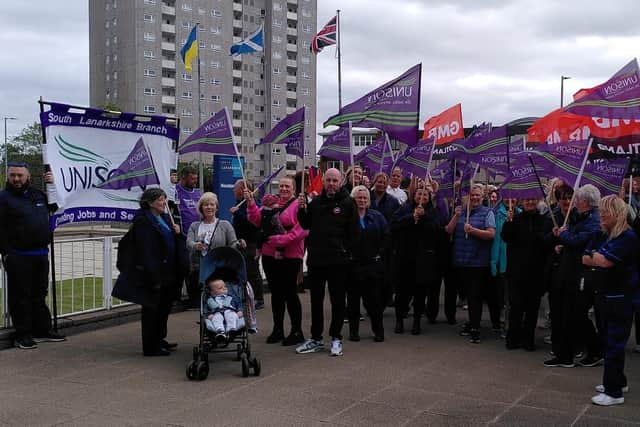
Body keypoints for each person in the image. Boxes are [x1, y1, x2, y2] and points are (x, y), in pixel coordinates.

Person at [0, 162, 66, 349]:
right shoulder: (3, 198)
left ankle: (42, 330)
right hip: (18, 255)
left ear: (28, 176)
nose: (16, 179)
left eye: (20, 175)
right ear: (8, 176)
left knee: (39, 294)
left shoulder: (38, 195)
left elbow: (55, 205)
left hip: (40, 254)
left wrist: (52, 184)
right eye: (13, 175)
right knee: (21, 296)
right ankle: (22, 334)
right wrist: (6, 253)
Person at [112, 188, 186, 356]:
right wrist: (153, 275)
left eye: (165, 199)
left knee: (164, 308)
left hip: (168, 272)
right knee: (152, 310)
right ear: (150, 203)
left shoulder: (165, 218)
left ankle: (160, 339)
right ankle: (151, 345)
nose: (164, 202)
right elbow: (146, 251)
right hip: (154, 274)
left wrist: (177, 233)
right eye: (160, 199)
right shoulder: (144, 222)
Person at [296, 168, 360, 356]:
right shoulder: (316, 203)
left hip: (338, 262)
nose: (331, 184)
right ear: (323, 181)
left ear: (340, 182)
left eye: (334, 180)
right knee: (316, 301)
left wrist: (346, 252)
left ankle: (336, 338)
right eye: (328, 180)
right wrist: (302, 209)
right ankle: (316, 338)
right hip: (316, 261)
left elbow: (355, 233)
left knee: (338, 301)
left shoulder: (348, 203)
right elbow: (306, 224)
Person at [582, 195, 639, 406]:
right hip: (606, 295)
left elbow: (603, 261)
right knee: (608, 341)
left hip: (621, 298)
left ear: (617, 213)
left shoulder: (628, 237)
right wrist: (597, 256)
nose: (601, 215)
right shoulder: (607, 235)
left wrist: (597, 256)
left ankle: (614, 392)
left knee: (614, 344)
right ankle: (618, 381)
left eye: (606, 211)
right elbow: (585, 257)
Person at [544, 184, 602, 368]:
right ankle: (564, 355)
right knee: (564, 313)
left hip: (581, 272)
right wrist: (562, 239)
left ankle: (594, 350)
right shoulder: (580, 216)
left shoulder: (593, 220)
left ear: (585, 201)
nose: (574, 202)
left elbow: (578, 240)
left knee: (576, 314)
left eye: (577, 199)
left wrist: (564, 235)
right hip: (568, 270)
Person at [246, 176, 307, 346]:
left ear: (294, 188)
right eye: (281, 186)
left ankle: (296, 330)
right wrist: (251, 204)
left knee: (290, 293)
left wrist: (281, 240)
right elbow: (257, 219)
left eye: (287, 186)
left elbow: (302, 230)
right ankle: (278, 328)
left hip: (291, 254)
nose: (284, 189)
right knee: (276, 293)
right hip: (269, 253)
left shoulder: (299, 205)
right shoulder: (272, 203)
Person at [445, 183, 497, 344]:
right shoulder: (461, 212)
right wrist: (456, 215)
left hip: (478, 262)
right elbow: (448, 230)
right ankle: (471, 322)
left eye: (477, 195)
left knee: (475, 296)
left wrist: (473, 231)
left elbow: (491, 234)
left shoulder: (487, 212)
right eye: (472, 195)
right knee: (468, 295)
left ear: (482, 198)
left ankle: (475, 328)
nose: (474, 198)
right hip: (461, 261)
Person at [391, 187, 441, 334]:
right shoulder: (404, 209)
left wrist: (424, 217)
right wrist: (411, 217)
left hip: (423, 260)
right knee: (402, 293)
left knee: (420, 294)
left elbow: (436, 230)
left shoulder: (432, 211)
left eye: (425, 194)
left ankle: (417, 322)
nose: (422, 196)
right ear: (414, 195)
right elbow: (394, 225)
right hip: (404, 257)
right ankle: (399, 321)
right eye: (420, 193)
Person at [501, 198, 547, 351]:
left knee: (532, 309)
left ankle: (528, 340)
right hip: (516, 271)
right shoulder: (515, 218)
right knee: (516, 307)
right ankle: (512, 338)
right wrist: (508, 222)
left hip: (535, 272)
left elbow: (546, 242)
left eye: (533, 200)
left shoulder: (543, 220)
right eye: (527, 200)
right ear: (523, 202)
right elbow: (505, 237)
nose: (530, 202)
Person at [347, 185, 389, 342]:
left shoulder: (377, 216)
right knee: (353, 301)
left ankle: (378, 331)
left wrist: (380, 253)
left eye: (365, 198)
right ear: (353, 199)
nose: (362, 200)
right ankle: (353, 331)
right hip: (353, 265)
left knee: (374, 301)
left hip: (372, 265)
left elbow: (387, 235)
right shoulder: (348, 217)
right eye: (359, 197)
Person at [186, 192, 244, 283]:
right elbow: (189, 242)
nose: (209, 207)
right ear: (201, 208)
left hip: (219, 270)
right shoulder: (194, 226)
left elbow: (233, 244)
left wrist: (239, 244)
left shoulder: (225, 225)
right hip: (198, 270)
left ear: (216, 208)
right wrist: (195, 245)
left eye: (212, 204)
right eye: (206, 205)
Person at [230, 179, 264, 309]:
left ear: (243, 189)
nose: (233, 190)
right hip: (240, 241)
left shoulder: (253, 203)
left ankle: (259, 298)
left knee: (252, 270)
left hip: (251, 242)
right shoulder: (239, 202)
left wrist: (237, 213)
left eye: (236, 188)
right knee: (243, 270)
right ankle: (246, 296)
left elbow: (253, 222)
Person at [175, 166, 202, 308]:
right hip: (181, 236)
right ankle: (176, 298)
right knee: (182, 267)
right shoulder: (174, 192)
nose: (195, 181)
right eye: (192, 178)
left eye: (196, 178)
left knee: (195, 269)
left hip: (197, 237)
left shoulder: (198, 193)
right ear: (183, 178)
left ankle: (194, 299)